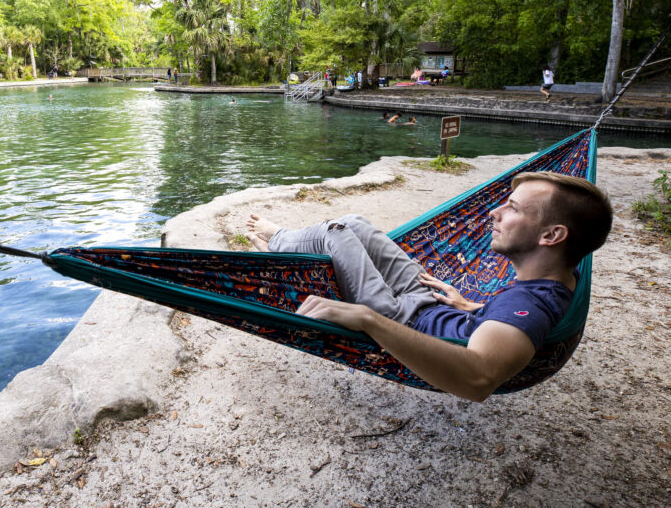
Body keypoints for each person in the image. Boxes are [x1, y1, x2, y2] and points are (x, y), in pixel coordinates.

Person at [245, 172, 613, 401]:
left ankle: (276, 239)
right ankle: (278, 242)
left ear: (552, 235)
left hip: (401, 320)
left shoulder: (529, 306)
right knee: (353, 222)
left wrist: (368, 319)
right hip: (432, 302)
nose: (493, 212)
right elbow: (511, 319)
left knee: (336, 234)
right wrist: (473, 308)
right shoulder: (562, 273)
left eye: (513, 209)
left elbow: (478, 378)